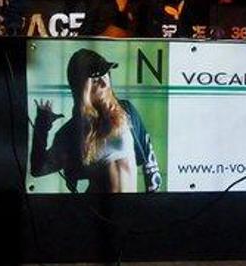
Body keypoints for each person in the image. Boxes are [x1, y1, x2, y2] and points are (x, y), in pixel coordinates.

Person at [30, 48, 161, 193]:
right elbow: (38, 169)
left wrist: (152, 199)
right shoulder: (72, 132)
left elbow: (150, 162)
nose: (105, 83)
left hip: (131, 205)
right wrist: (42, 125)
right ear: (82, 87)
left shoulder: (126, 111)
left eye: (105, 75)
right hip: (97, 206)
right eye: (95, 80)